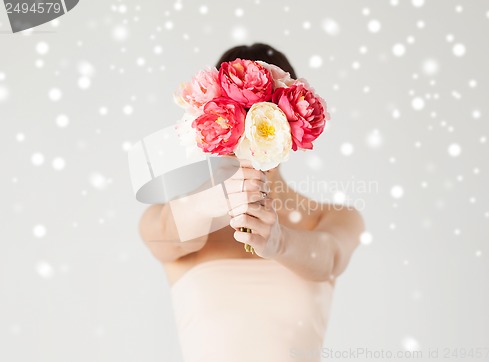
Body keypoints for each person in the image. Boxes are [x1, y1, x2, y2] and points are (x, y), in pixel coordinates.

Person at [139, 43, 365, 362]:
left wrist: (280, 242)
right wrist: (213, 200)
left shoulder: (332, 219)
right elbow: (163, 234)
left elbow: (329, 258)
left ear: (293, 129)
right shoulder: (176, 222)